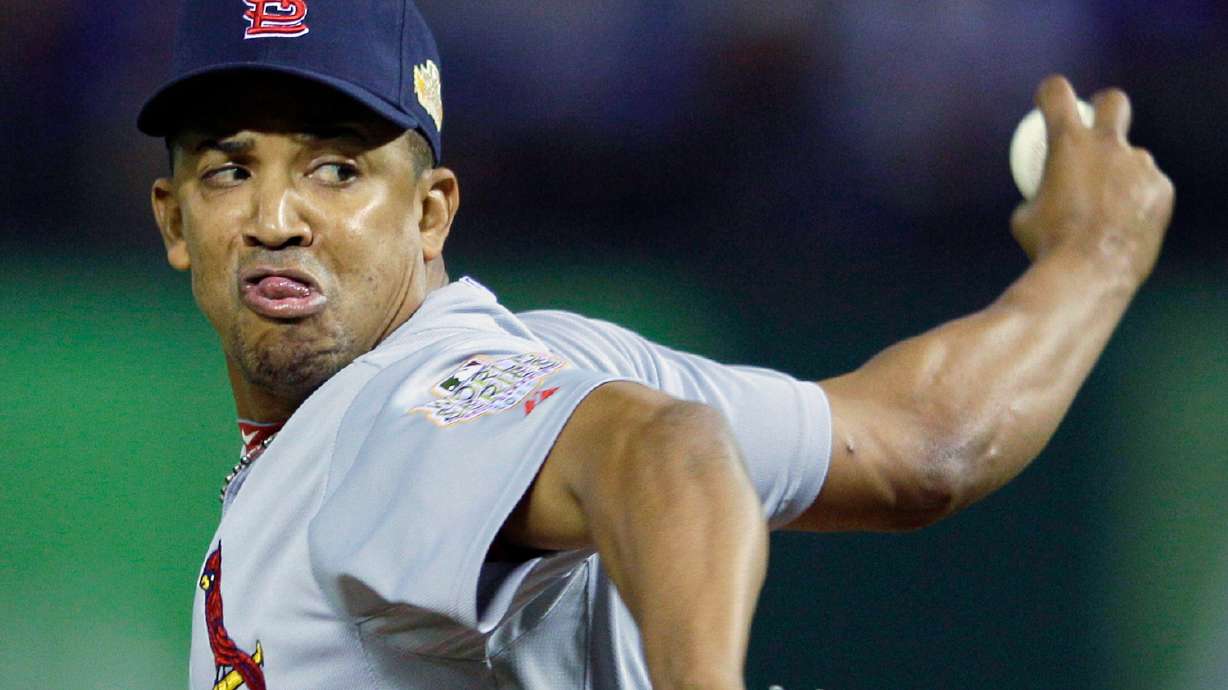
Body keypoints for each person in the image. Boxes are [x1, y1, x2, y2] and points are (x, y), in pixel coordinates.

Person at [139, 2, 1173, 689]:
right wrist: (1091, 257)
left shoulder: (406, 411)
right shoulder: (580, 353)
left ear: (429, 215)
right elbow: (927, 440)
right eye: (230, 169)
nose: (275, 214)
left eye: (335, 170)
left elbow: (661, 453)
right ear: (175, 218)